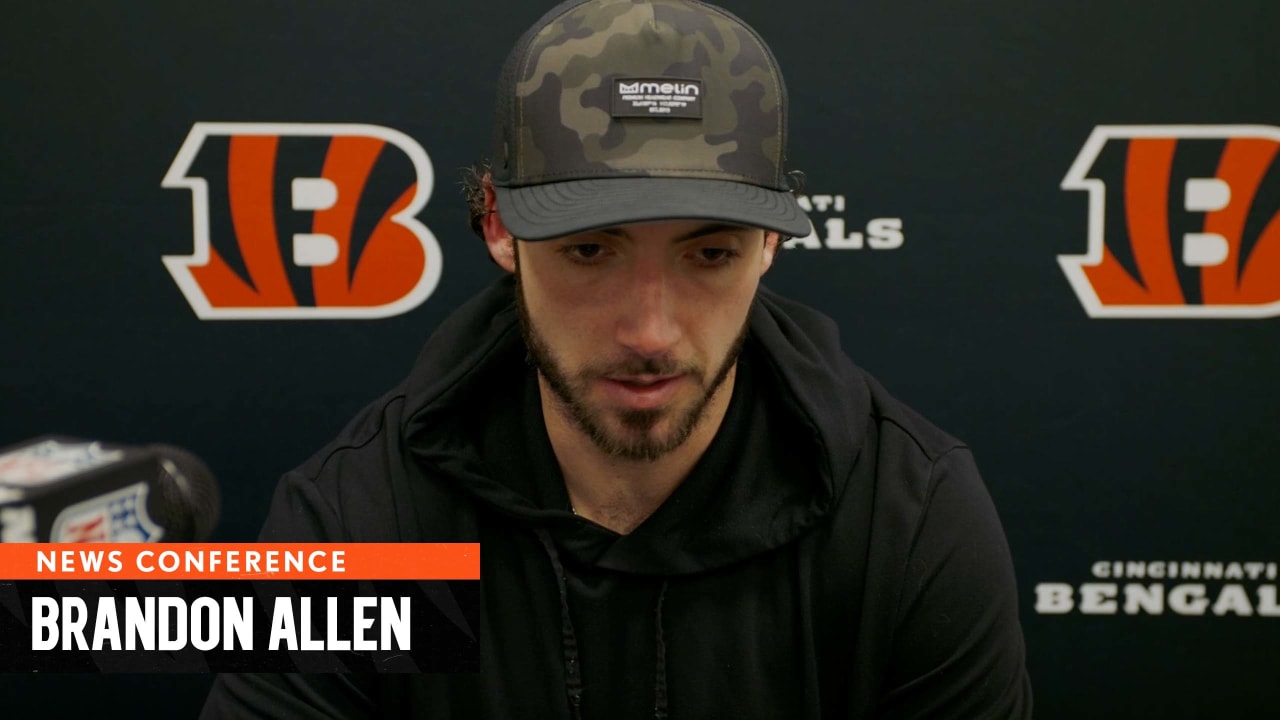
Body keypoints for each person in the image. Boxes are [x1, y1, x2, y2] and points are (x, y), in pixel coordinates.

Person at [203, 0, 1032, 717]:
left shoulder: (907, 518)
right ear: (498, 225)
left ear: (773, 240)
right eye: (592, 251)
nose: (651, 332)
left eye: (709, 256)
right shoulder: (369, 523)